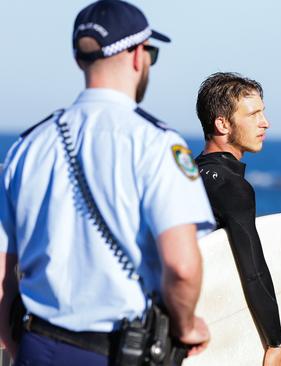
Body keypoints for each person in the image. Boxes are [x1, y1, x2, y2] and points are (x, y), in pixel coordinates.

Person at [0, 1, 215, 364]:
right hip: (116, 350)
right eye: (151, 52)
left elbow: (3, 265)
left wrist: (10, 338)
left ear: (80, 59)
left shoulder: (27, 146)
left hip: (37, 344)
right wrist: (186, 325)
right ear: (136, 55)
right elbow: (181, 266)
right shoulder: (157, 143)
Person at [194, 72, 281, 366]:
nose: (265, 122)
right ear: (222, 123)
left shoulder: (188, 175)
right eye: (254, 114)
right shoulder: (232, 186)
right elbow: (253, 269)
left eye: (263, 112)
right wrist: (275, 342)